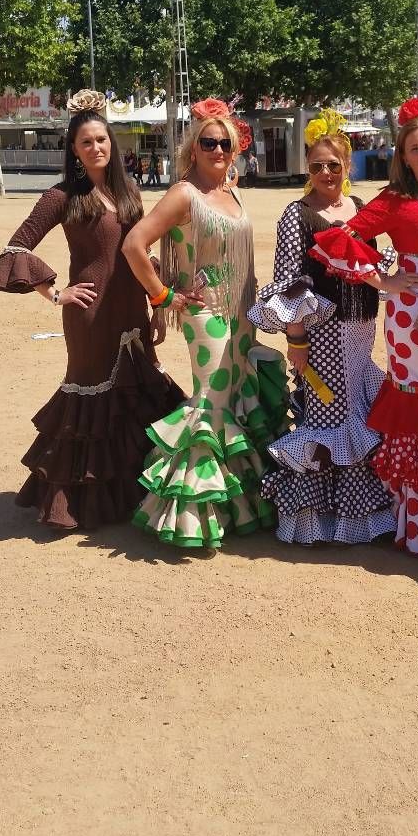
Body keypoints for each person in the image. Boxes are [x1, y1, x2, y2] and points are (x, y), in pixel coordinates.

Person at [0, 90, 183, 531]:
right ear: (73, 149)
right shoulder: (62, 195)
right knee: (92, 406)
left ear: (113, 143)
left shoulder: (127, 191)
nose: (96, 147)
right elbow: (17, 246)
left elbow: (141, 251)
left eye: (102, 139)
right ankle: (75, 504)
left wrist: (157, 303)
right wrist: (55, 294)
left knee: (136, 396)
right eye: (86, 142)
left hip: (131, 311)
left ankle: (132, 494)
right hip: (91, 318)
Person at [121, 97, 287, 549]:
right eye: (209, 143)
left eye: (226, 144)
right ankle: (187, 517)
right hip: (207, 316)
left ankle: (233, 508)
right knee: (210, 407)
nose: (218, 151)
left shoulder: (231, 192)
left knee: (236, 400)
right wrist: (164, 295)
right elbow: (134, 245)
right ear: (193, 148)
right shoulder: (184, 193)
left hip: (241, 317)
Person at [310, 97, 418, 554]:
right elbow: (339, 239)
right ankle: (416, 529)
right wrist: (385, 278)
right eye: (413, 149)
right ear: (403, 156)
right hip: (411, 317)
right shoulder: (394, 200)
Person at [248, 110, 396, 545]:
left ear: (347, 167)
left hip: (359, 329)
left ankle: (359, 516)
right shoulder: (296, 215)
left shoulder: (361, 209)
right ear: (306, 169)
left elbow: (374, 262)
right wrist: (297, 341)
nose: (326, 172)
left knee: (357, 413)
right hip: (323, 337)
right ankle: (323, 520)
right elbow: (289, 280)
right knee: (331, 417)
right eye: (317, 166)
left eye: (334, 165)